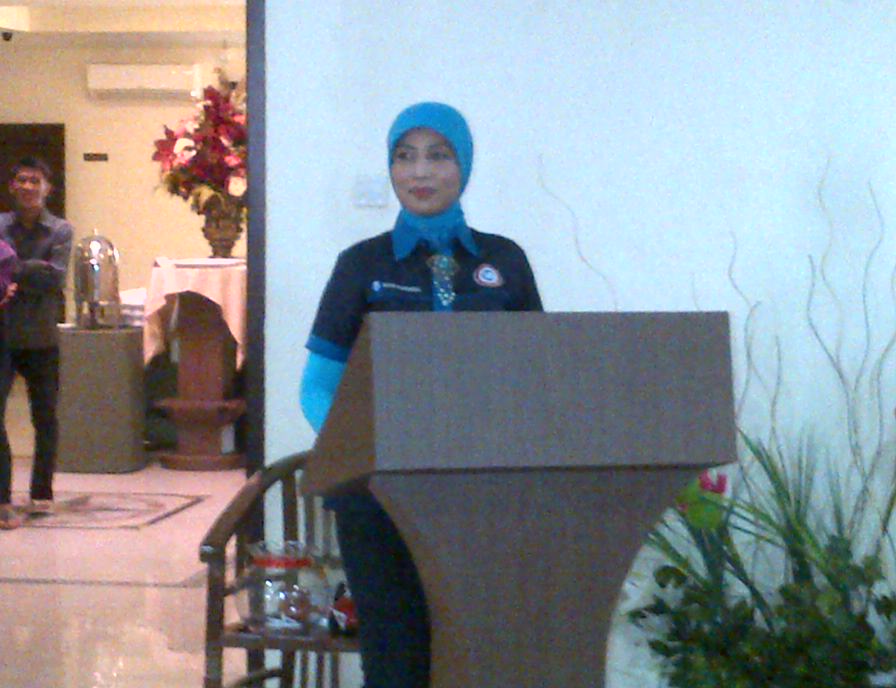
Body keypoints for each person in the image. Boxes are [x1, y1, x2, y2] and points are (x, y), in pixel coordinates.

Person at [300, 102, 542, 688]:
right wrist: (375, 454)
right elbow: (318, 388)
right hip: (378, 496)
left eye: (438, 155)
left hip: (481, 492)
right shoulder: (361, 264)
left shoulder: (504, 260)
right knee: (395, 656)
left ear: (464, 165)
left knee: (479, 650)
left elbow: (536, 375)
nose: (420, 171)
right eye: (405, 157)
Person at [0, 156, 73, 529]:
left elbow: (55, 278)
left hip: (42, 337)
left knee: (45, 418)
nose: (29, 186)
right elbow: (42, 274)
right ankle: (2, 498)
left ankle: (41, 492)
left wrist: (10, 267)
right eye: (22, 180)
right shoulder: (0, 225)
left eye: (36, 180)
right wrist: (33, 269)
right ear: (12, 186)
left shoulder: (60, 230)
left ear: (48, 188)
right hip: (3, 336)